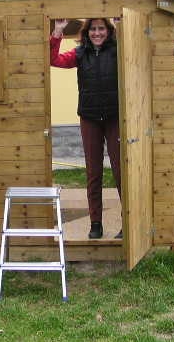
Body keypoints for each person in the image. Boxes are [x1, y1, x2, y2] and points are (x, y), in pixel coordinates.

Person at [50, 18, 122, 240]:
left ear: (108, 31)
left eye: (101, 28)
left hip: (115, 118)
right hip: (90, 118)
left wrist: (121, 28)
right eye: (93, 29)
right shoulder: (80, 54)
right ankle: (96, 223)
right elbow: (53, 59)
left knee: (121, 172)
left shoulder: (119, 51)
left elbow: (136, 53)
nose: (97, 33)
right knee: (93, 172)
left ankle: (128, 223)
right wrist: (58, 31)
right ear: (87, 32)